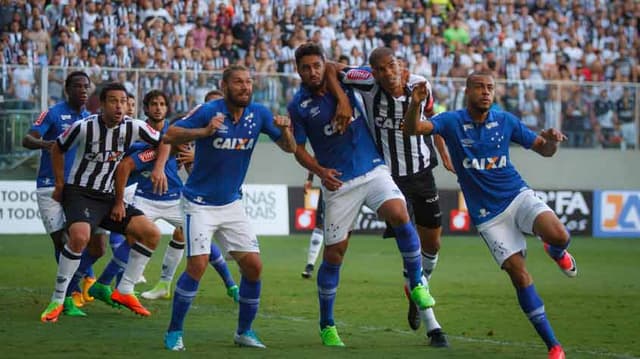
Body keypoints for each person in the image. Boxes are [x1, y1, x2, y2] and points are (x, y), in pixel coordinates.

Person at [403, 71, 577, 359]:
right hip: (489, 217)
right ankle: (554, 346)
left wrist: (552, 140)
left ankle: (556, 251)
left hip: (518, 196)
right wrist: (414, 105)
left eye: (490, 88)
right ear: (468, 91)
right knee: (519, 276)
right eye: (480, 87)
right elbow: (412, 130)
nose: (486, 92)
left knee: (561, 235)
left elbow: (544, 151)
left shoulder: (505, 120)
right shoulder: (451, 121)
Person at [288, 42, 434, 347]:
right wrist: (319, 171)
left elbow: (335, 69)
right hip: (339, 184)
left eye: (317, 65)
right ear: (297, 70)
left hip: (373, 169)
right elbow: (297, 149)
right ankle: (327, 324)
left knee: (399, 214)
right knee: (334, 255)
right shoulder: (297, 106)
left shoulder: (349, 78)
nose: (313, 71)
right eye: (305, 67)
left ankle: (417, 282)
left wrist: (342, 97)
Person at [162, 65, 296, 351]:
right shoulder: (209, 110)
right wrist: (204, 131)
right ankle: (174, 332)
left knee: (254, 267)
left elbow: (290, 149)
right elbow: (169, 134)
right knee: (197, 266)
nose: (245, 87)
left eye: (248, 82)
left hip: (231, 203)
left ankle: (244, 332)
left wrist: (286, 131)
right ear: (224, 86)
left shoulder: (259, 113)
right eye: (238, 82)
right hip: (198, 203)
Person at [337, 46, 452, 346]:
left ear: (401, 65)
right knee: (408, 242)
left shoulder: (420, 85)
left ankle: (416, 291)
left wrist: (444, 152)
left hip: (422, 173)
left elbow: (433, 120)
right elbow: (329, 67)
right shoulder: (365, 81)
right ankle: (433, 326)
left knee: (433, 245)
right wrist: (342, 101)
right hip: (388, 177)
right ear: (373, 72)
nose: (389, 73)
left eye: (393, 66)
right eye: (381, 69)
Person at [40, 82, 164, 322]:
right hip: (80, 193)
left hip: (108, 196)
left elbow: (165, 141)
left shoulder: (134, 127)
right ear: (102, 104)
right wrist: (59, 184)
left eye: (123, 101)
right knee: (79, 238)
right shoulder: (84, 127)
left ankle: (125, 290)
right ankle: (57, 299)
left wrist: (157, 167)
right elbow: (58, 148)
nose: (119, 106)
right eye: (113, 101)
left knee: (151, 234)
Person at [23, 71, 105, 316]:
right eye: (78, 86)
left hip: (78, 187)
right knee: (61, 240)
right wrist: (44, 144)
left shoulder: (90, 117)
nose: (83, 90)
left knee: (92, 243)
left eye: (86, 87)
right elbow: (27, 139)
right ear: (67, 90)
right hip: (49, 185)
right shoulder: (53, 113)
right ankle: (68, 296)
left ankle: (77, 282)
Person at [301, 171, 324, 279]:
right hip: (328, 187)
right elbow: (316, 156)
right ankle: (310, 265)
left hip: (352, 186)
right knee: (320, 225)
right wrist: (310, 179)